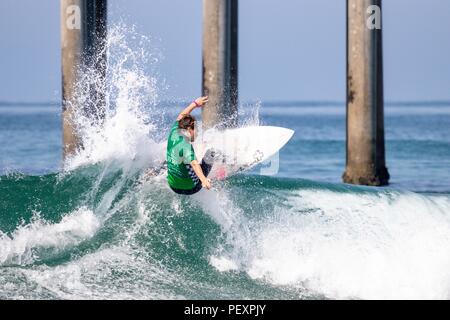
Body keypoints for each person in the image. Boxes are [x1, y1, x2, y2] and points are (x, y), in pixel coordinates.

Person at [166, 96, 217, 195]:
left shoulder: (174, 131)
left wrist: (195, 104)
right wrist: (204, 180)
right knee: (211, 153)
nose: (197, 133)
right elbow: (194, 163)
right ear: (189, 129)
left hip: (172, 186)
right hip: (191, 188)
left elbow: (182, 115)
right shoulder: (185, 146)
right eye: (196, 130)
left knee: (175, 157)